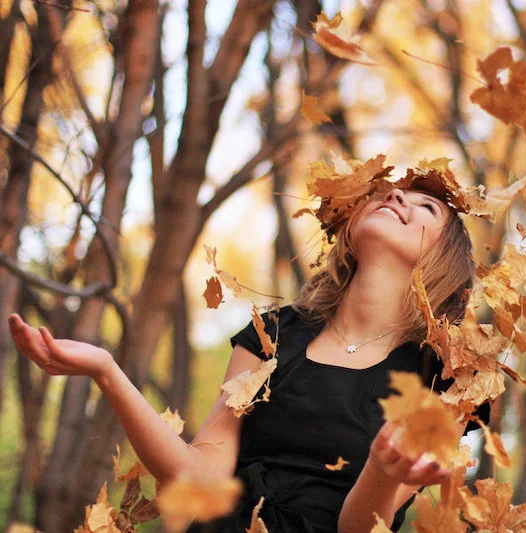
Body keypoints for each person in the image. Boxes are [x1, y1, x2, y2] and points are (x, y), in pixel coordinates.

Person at [8, 185, 486, 533]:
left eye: (425, 206)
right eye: (389, 193)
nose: (396, 198)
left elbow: (357, 528)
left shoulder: (450, 376)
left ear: (445, 260)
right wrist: (106, 371)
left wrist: (383, 470)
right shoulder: (273, 335)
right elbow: (198, 477)